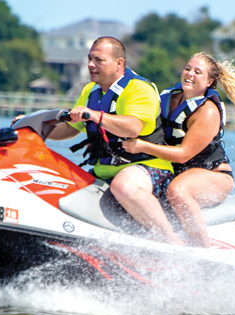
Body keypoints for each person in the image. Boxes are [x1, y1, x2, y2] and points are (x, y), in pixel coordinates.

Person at [122, 52, 235, 247]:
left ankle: (202, 248)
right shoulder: (168, 97)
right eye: (188, 68)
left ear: (209, 81)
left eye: (198, 72)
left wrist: (142, 146)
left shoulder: (207, 112)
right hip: (175, 171)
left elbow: (183, 155)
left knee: (177, 191)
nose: (190, 74)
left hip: (212, 175)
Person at [48, 37, 180, 242]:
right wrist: (36, 129)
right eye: (90, 59)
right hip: (104, 172)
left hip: (149, 169)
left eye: (99, 60)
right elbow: (69, 129)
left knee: (123, 186)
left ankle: (172, 242)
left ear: (119, 63)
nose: (91, 65)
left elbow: (133, 127)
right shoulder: (90, 91)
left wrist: (95, 115)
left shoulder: (139, 88)